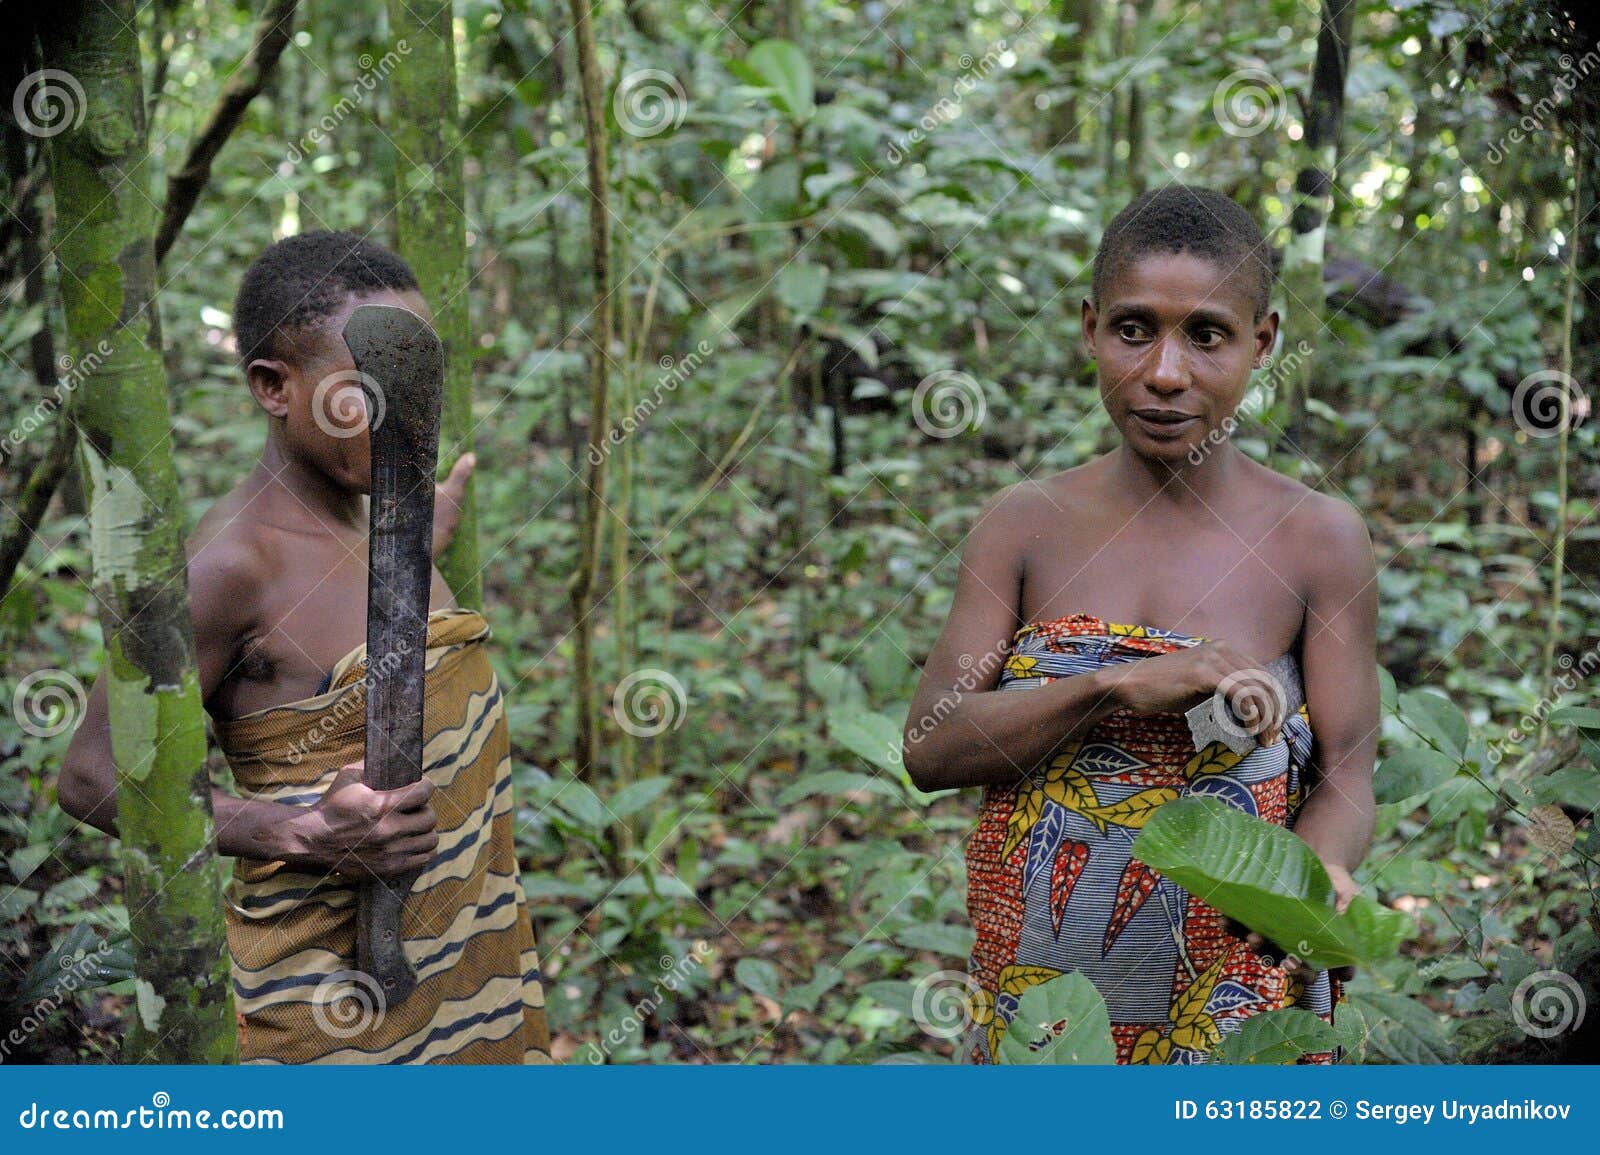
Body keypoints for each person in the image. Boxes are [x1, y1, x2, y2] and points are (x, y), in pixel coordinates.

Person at [902, 186, 1378, 1064]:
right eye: (1133, 330)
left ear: (1261, 341)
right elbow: (931, 748)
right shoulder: (1024, 525)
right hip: (1045, 1018)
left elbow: (1348, 769)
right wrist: (1111, 684)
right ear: (1090, 330)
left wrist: (1317, 877)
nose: (1164, 372)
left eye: (1206, 334)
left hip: (1239, 1007)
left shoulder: (1319, 539)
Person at [59, 231, 554, 1064]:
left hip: (474, 975)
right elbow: (90, 775)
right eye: (368, 389)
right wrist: (296, 832)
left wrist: (411, 551)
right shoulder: (226, 567)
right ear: (273, 386)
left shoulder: (378, 519)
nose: (407, 411)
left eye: (419, 380)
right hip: (325, 1012)